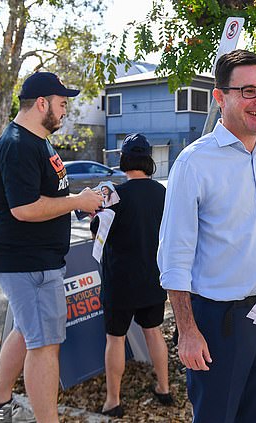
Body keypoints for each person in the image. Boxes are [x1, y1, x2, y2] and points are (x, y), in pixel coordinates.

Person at [157, 49, 256, 423]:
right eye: (248, 91)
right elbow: (174, 257)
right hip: (218, 322)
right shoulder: (193, 163)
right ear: (220, 97)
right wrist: (187, 331)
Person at [0, 72, 104, 422]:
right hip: (29, 263)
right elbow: (24, 209)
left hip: (37, 260)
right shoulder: (19, 145)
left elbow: (47, 197)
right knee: (44, 345)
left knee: (26, 330)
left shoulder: (37, 141)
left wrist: (80, 203)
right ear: (42, 103)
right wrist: (75, 201)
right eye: (62, 103)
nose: (65, 111)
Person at [90, 133, 173, 418]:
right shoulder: (164, 193)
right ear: (149, 160)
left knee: (115, 339)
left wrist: (93, 218)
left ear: (124, 160)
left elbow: (98, 234)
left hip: (120, 282)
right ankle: (164, 388)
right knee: (154, 332)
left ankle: (113, 401)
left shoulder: (114, 195)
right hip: (154, 277)